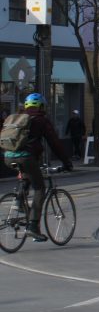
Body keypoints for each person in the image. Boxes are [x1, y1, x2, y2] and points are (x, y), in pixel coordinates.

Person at [3, 93, 73, 242]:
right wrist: (66, 162)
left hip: (8, 157)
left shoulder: (17, 118)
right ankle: (33, 227)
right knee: (40, 188)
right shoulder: (41, 121)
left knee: (27, 175)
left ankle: (18, 202)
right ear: (41, 106)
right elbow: (55, 143)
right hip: (27, 157)